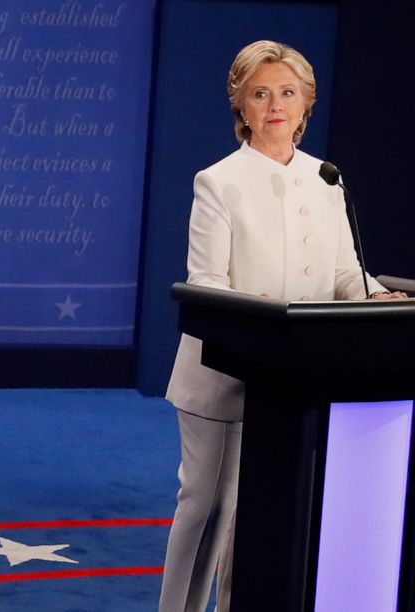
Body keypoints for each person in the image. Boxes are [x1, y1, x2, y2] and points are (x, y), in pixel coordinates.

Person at [157, 40, 406, 612]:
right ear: (241, 107)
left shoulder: (327, 179)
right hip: (223, 374)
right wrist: (256, 311)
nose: (275, 105)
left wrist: (374, 293)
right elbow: (206, 281)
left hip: (297, 377)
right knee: (209, 509)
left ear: (305, 104)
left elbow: (346, 272)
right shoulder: (218, 181)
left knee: (264, 517)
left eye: (287, 93)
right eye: (260, 94)